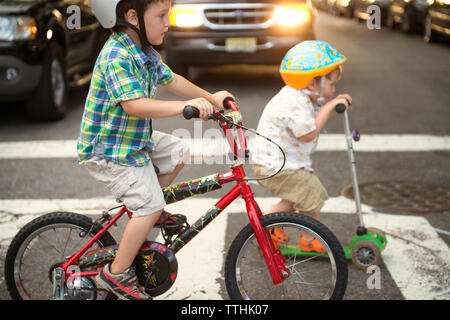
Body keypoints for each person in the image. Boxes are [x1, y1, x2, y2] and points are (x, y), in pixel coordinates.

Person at [78, 0, 233, 300]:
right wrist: (184, 108)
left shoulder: (144, 52)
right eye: (162, 15)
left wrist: (212, 99)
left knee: (178, 151)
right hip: (109, 150)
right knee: (147, 204)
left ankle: (149, 208)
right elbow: (133, 105)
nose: (168, 22)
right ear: (132, 17)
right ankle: (117, 274)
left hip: (133, 142)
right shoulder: (116, 54)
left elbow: (173, 79)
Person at [252, 40, 352, 253]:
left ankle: (269, 229)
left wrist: (330, 103)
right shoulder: (294, 100)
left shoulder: (302, 96)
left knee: (297, 195)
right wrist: (329, 107)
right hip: (275, 165)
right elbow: (308, 134)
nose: (334, 90)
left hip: (278, 162)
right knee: (311, 191)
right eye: (331, 85)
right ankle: (308, 239)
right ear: (313, 83)